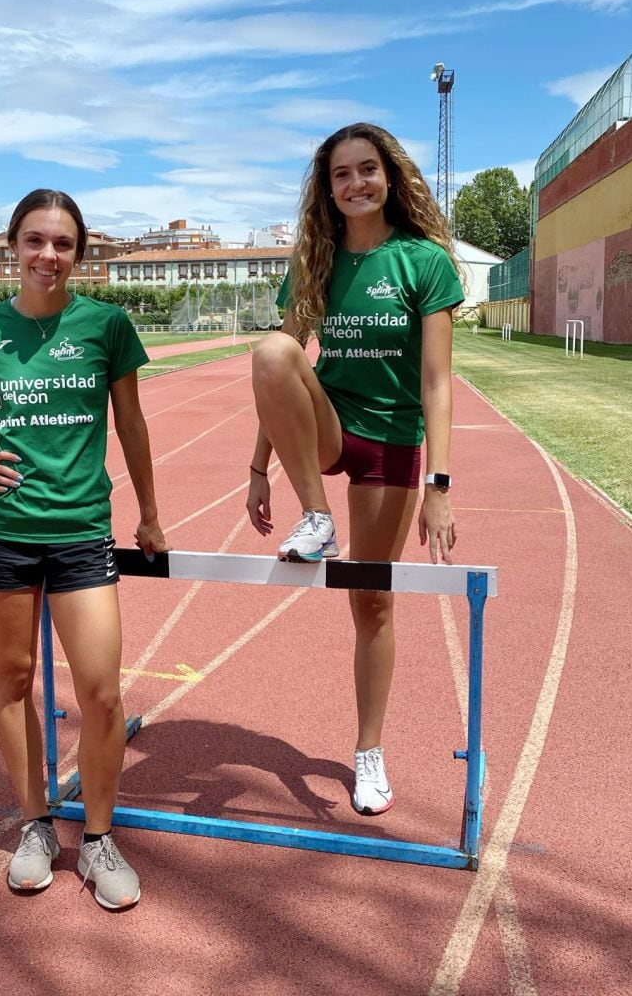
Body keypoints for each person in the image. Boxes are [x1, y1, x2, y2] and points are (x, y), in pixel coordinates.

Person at [0, 189, 166, 910]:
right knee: (12, 683)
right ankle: (36, 825)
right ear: (12, 247)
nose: (49, 255)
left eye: (64, 244)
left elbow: (133, 425)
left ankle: (101, 839)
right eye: (36, 241)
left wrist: (149, 512)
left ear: (80, 254)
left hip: (82, 532)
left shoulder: (106, 325)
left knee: (103, 692)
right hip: (3, 536)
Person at [246, 123, 464, 817]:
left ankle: (368, 752)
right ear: (327, 189)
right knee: (273, 353)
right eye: (341, 174)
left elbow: (437, 381)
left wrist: (440, 484)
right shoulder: (314, 262)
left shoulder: (423, 262)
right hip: (331, 430)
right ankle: (317, 517)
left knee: (370, 602)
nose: (355, 184)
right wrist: (259, 468)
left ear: (389, 177)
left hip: (394, 441)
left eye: (367, 169)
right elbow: (281, 374)